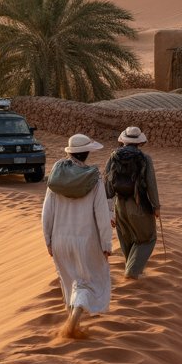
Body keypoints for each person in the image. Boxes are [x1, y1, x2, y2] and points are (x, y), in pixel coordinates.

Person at [42, 133, 113, 338]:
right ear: (87, 153)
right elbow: (101, 215)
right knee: (86, 282)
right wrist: (106, 243)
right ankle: (73, 322)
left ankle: (71, 321)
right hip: (87, 240)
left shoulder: (56, 177)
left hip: (60, 240)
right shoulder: (94, 179)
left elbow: (47, 212)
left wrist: (47, 240)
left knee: (69, 280)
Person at [104, 126, 160, 279]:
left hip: (119, 205)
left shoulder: (113, 156)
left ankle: (132, 268)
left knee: (126, 237)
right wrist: (156, 206)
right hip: (139, 204)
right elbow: (151, 184)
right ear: (139, 142)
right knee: (147, 238)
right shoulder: (145, 158)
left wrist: (108, 211)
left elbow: (107, 184)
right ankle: (133, 272)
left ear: (123, 140)